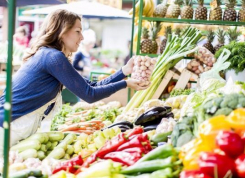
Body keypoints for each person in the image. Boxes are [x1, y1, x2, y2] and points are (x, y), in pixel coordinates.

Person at [0, 9, 149, 155]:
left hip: (15, 126)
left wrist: (124, 71)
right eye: (78, 31)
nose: (82, 37)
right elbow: (89, 95)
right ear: (62, 32)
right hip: (8, 127)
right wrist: (126, 83)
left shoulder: (50, 56)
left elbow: (91, 86)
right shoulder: (53, 57)